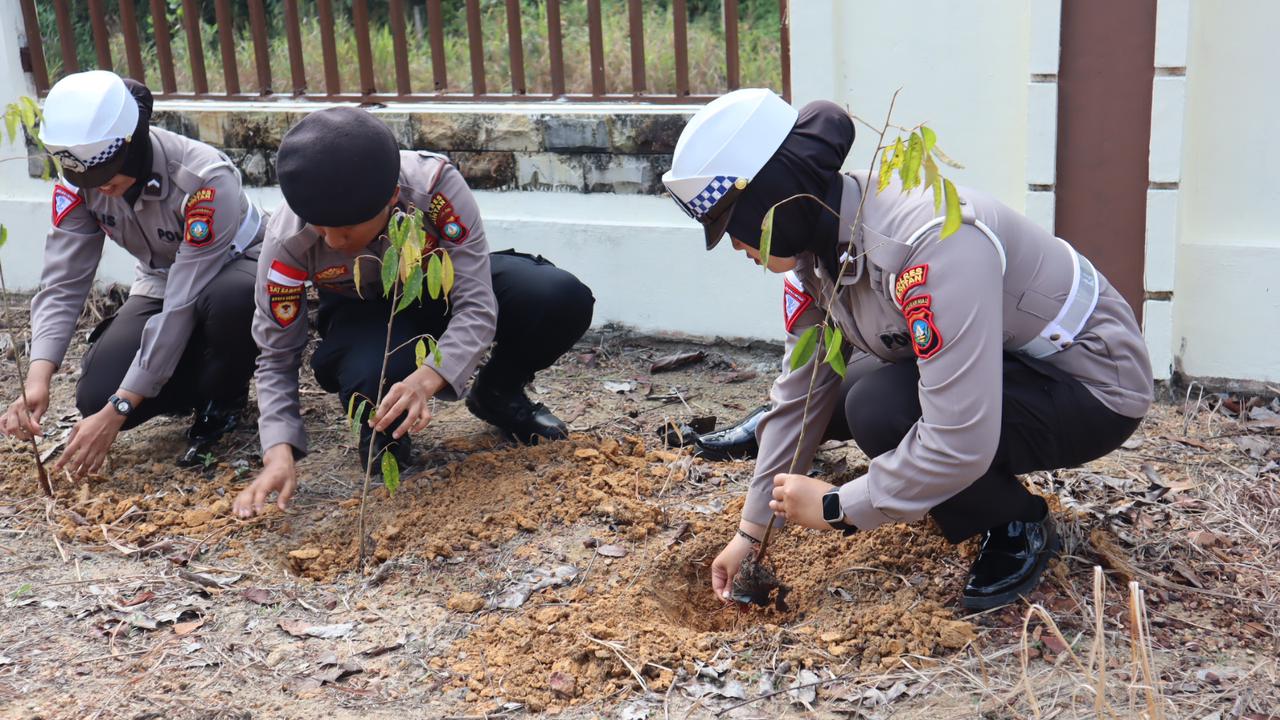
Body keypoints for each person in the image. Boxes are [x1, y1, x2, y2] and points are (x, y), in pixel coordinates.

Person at [662, 89, 1154, 610]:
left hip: (1089, 384)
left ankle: (1013, 521)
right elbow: (801, 396)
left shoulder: (929, 246)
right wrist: (752, 528)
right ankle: (956, 494)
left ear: (772, 199)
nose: (737, 246)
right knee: (844, 391)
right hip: (1012, 359)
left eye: (732, 224)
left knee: (877, 408)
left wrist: (835, 506)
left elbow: (958, 439)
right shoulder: (815, 255)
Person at [233, 107, 594, 518]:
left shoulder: (435, 191)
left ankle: (497, 393)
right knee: (370, 372)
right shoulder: (287, 239)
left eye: (347, 230)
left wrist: (427, 379)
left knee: (556, 296)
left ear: (390, 198)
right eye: (320, 229)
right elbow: (276, 355)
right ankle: (384, 431)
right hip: (363, 313)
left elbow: (475, 303)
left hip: (440, 287)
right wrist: (278, 452)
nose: (333, 241)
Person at [0, 70, 265, 472]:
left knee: (228, 301)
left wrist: (122, 404)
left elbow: (183, 301)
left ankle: (224, 397)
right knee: (94, 395)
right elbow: (63, 282)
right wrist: (39, 375)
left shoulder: (204, 181)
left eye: (107, 175)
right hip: (161, 279)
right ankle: (194, 378)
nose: (99, 187)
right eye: (86, 178)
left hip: (233, 267)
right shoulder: (81, 181)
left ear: (134, 142)